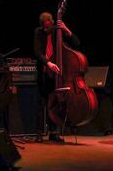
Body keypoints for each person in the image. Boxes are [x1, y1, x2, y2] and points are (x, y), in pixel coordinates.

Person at [33, 12, 80, 143]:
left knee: (55, 104)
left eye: (47, 27)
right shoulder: (38, 32)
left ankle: (54, 132)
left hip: (58, 74)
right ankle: (38, 133)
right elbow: (37, 51)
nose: (45, 30)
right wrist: (48, 63)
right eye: (43, 27)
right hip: (44, 72)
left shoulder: (58, 31)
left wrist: (66, 29)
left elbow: (76, 43)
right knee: (41, 103)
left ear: (52, 22)